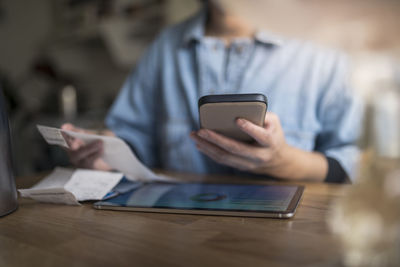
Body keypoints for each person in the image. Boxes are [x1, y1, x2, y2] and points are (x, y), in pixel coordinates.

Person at [62, 1, 363, 183]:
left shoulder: (324, 50)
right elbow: (134, 143)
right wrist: (104, 154)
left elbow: (356, 161)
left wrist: (284, 161)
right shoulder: (166, 46)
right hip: (176, 230)